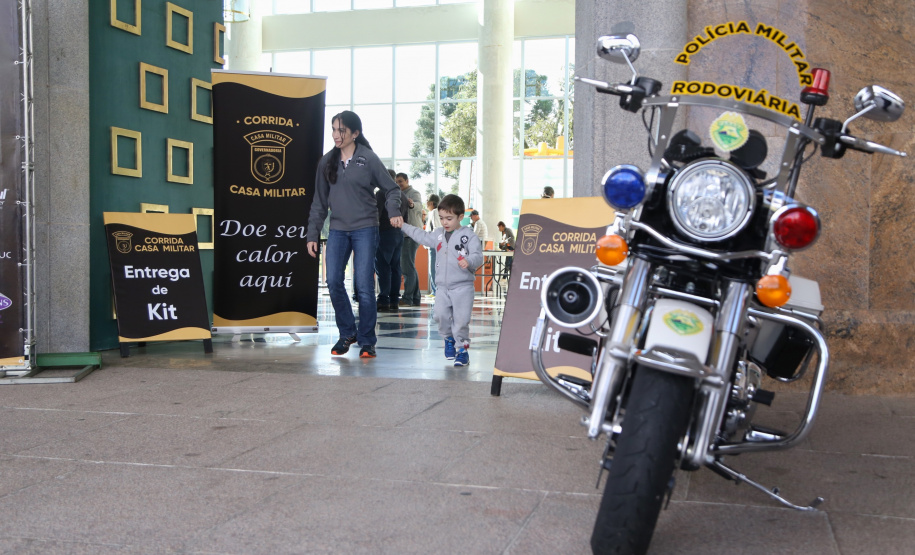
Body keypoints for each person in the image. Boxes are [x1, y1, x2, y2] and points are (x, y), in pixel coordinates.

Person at [306, 111, 402, 359]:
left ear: (355, 133)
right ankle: (348, 333)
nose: (336, 135)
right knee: (333, 281)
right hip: (338, 229)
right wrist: (312, 234)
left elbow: (392, 189)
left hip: (365, 228)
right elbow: (319, 202)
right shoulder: (326, 162)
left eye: (341, 130)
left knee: (364, 286)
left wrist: (393, 211)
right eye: (333, 129)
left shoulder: (368, 158)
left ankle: (367, 340)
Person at [393, 194, 482, 367]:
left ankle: (462, 350)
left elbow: (478, 256)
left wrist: (469, 261)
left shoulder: (469, 236)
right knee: (440, 316)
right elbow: (420, 235)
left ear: (460, 217)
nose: (444, 222)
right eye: (441, 218)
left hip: (463, 287)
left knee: (461, 321)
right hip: (442, 288)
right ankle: (448, 339)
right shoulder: (438, 234)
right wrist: (403, 225)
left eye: (449, 218)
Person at [375, 169, 410, 312]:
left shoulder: (381, 193)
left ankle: (383, 300)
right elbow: (405, 218)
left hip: (384, 232)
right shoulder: (402, 195)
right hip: (398, 234)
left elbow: (377, 214)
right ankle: (394, 300)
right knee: (396, 267)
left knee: (383, 266)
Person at [397, 173, 424, 307]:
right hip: (406, 234)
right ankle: (415, 297)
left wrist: (412, 204)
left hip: (411, 235)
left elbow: (418, 205)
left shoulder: (413, 193)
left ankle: (407, 298)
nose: (399, 184)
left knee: (407, 267)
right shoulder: (398, 193)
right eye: (397, 182)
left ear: (407, 180)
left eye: (401, 181)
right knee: (409, 266)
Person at [425, 194, 441, 298]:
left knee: (433, 268)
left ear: (431, 202)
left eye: (427, 201)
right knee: (433, 268)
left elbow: (436, 227)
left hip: (434, 244)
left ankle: (436, 291)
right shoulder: (433, 212)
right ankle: (434, 291)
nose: (425, 203)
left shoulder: (435, 212)